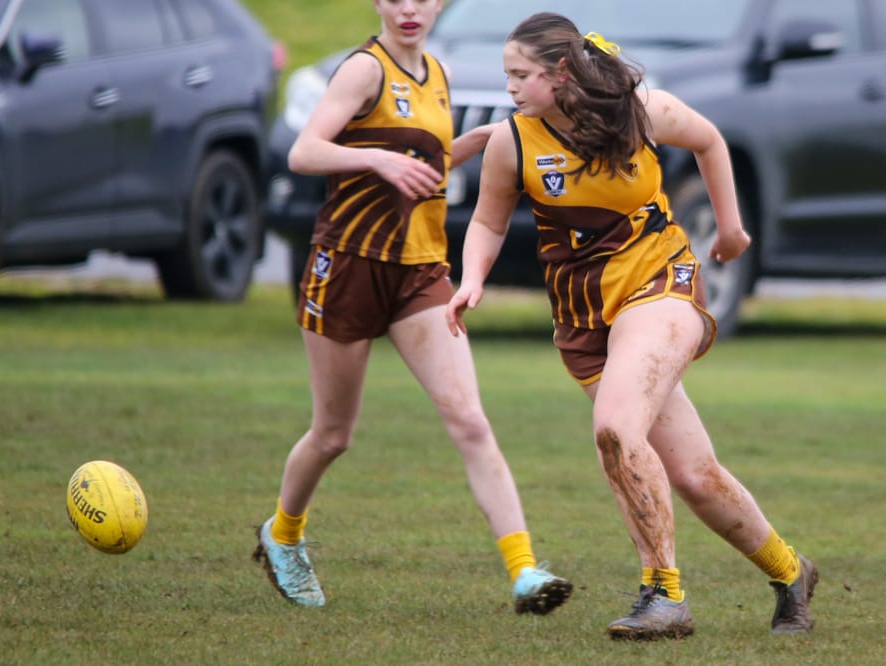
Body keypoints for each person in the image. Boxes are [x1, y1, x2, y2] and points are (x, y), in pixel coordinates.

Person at [445, 12, 818, 640]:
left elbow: (709, 141)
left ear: (561, 73)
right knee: (694, 475)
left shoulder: (641, 112)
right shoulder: (512, 141)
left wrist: (729, 230)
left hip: (660, 282)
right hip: (585, 315)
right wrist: (473, 278)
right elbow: (486, 221)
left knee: (616, 428)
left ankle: (664, 596)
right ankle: (790, 572)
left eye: (520, 75)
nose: (508, 86)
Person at [251, 0, 572, 615]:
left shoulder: (439, 73)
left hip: (421, 271)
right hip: (347, 264)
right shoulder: (364, 71)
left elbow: (422, 170)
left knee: (470, 421)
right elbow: (304, 152)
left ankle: (525, 572)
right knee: (333, 434)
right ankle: (283, 535)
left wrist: (471, 145)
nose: (409, 8)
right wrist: (373, 157)